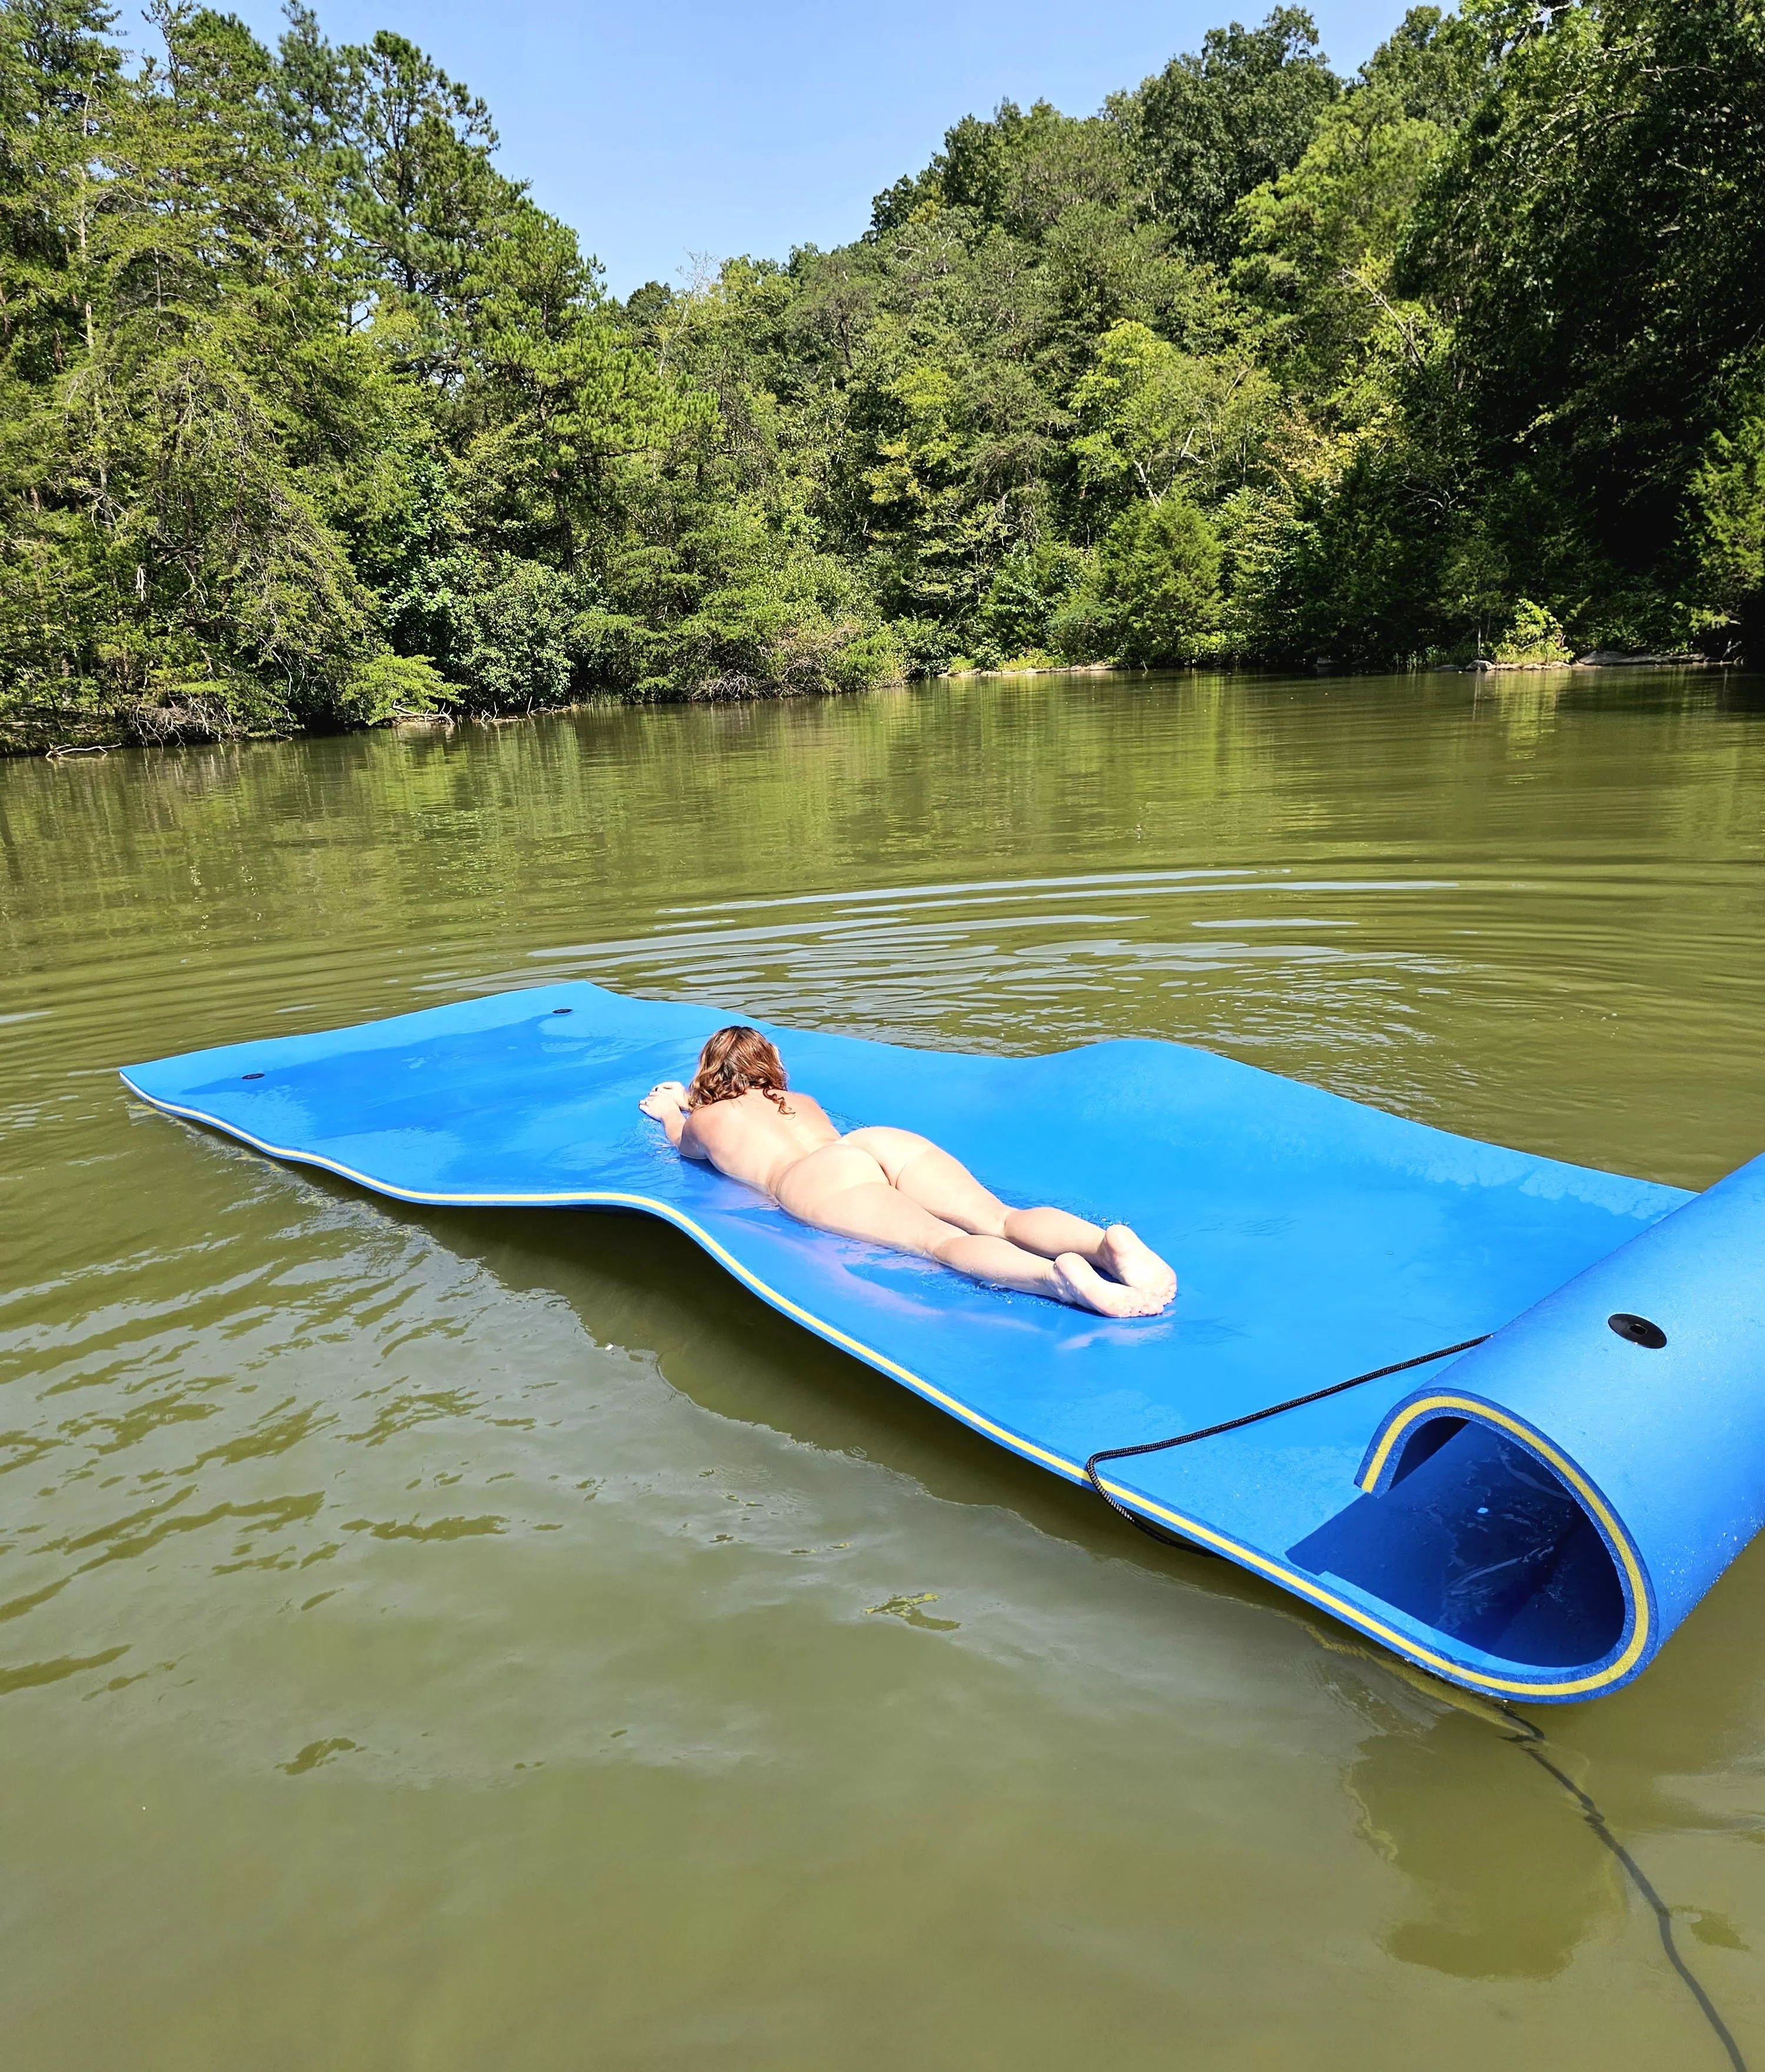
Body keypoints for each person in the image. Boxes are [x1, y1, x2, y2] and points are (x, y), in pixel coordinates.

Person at [638, 1025, 1176, 1318]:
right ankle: (1105, 1246)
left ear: (708, 1075)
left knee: (940, 1242)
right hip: (872, 1142)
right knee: (1000, 1217)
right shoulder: (800, 1100)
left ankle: (1057, 1279)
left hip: (812, 1178)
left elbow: (685, 1146)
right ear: (771, 1064)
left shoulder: (706, 1119)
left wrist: (671, 1109)